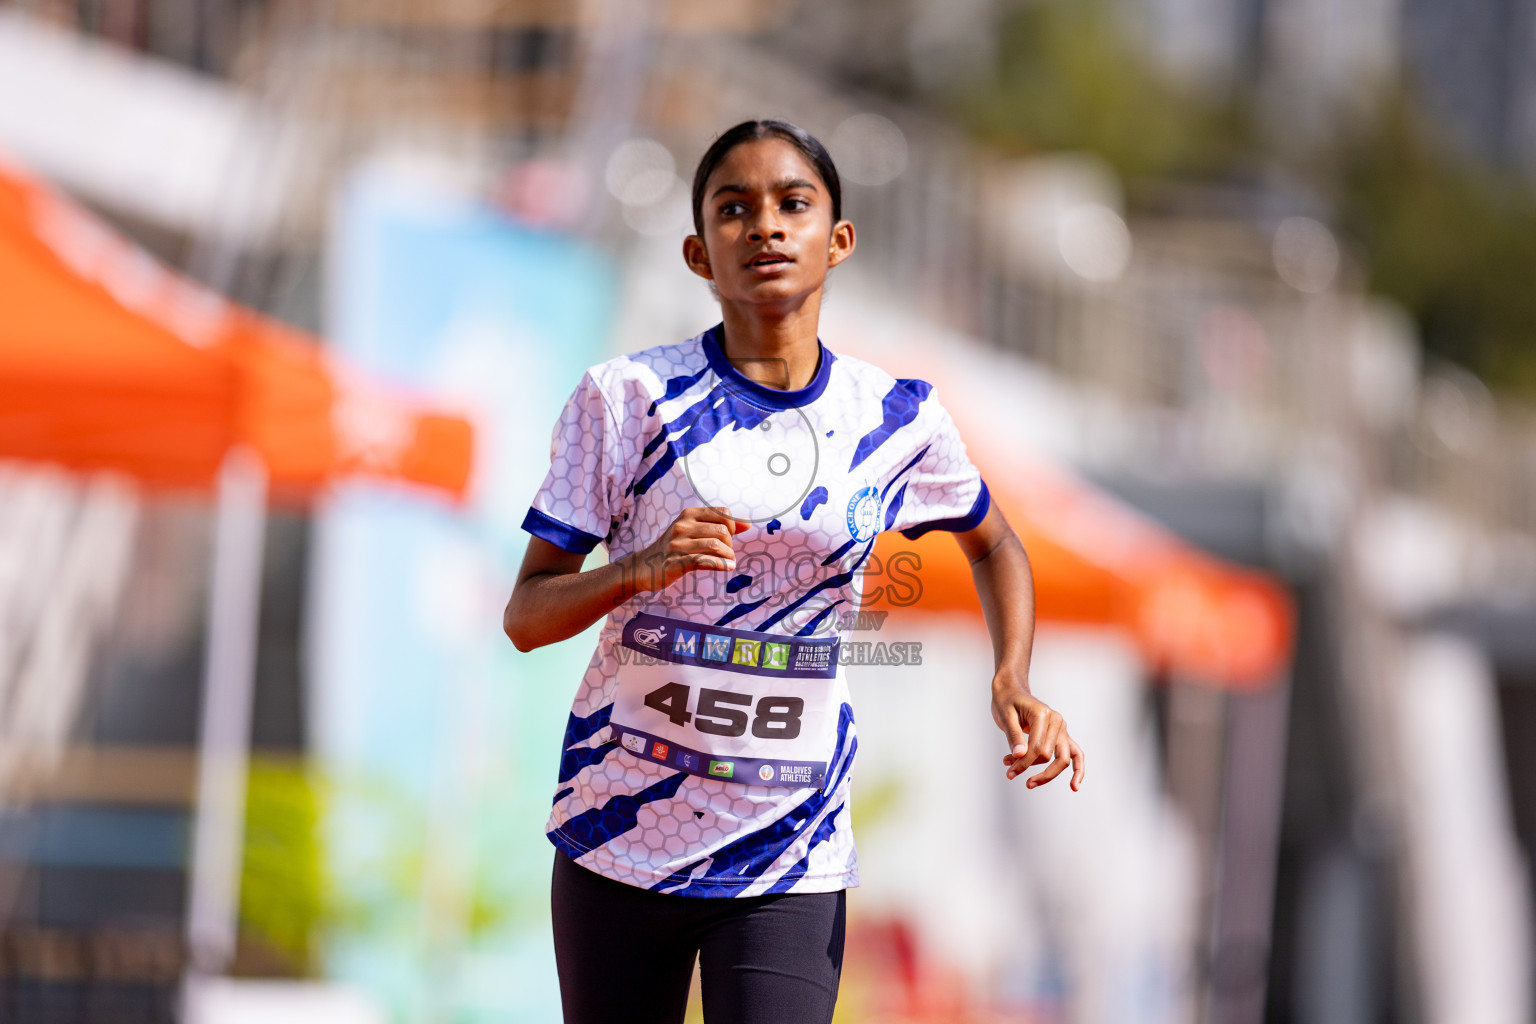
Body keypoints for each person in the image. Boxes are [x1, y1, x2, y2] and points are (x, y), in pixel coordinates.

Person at [503, 119, 1085, 1024]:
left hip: (788, 843)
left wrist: (1013, 675)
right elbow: (526, 615)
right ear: (699, 253)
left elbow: (996, 544)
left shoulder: (897, 417)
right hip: (620, 831)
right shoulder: (623, 399)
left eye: (792, 204)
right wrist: (641, 570)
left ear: (837, 240)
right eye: (734, 211)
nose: (764, 227)